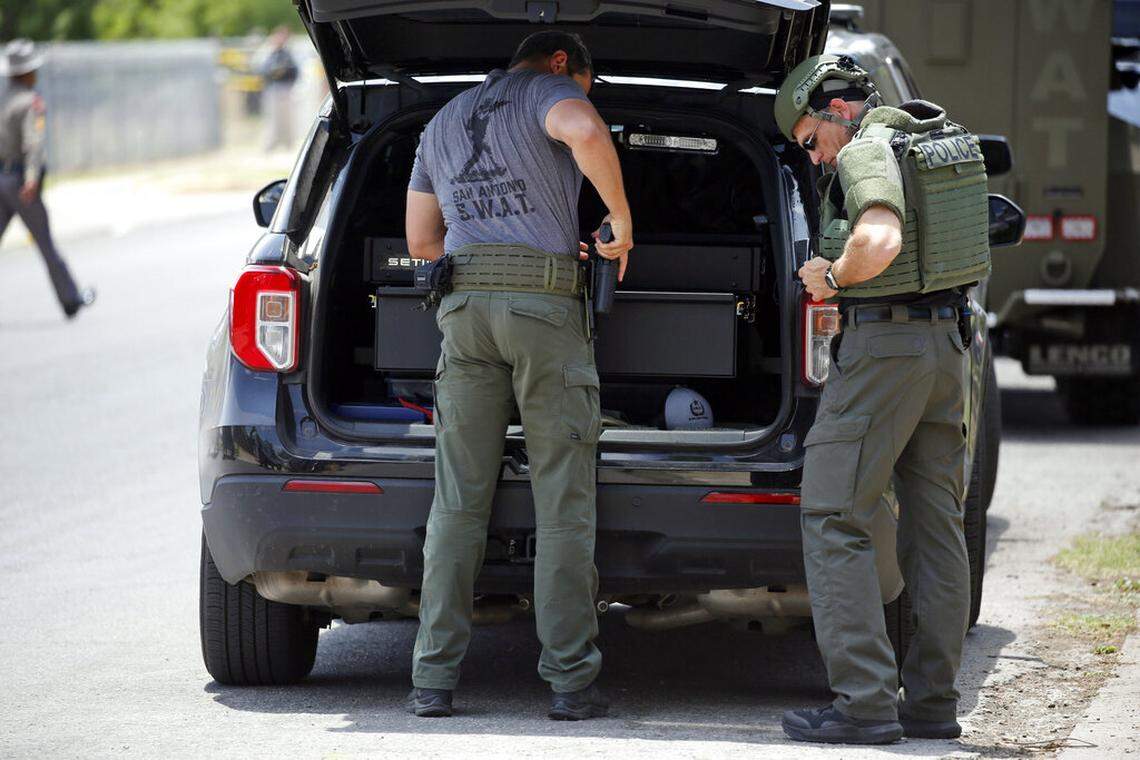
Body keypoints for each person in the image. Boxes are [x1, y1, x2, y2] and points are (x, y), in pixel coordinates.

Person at [404, 31, 632, 720]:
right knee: (561, 499)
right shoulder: (549, 91)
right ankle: (567, 681)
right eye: (581, 82)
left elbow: (420, 242)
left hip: (464, 310)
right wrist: (620, 219)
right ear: (563, 62)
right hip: (543, 308)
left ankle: (432, 680)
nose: (579, 96)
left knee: (458, 503)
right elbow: (584, 129)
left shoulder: (442, 120)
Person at [774, 54, 990, 744]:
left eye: (810, 141)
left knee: (835, 513)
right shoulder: (927, 136)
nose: (814, 159)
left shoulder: (866, 150)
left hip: (885, 352)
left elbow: (881, 236)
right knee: (935, 527)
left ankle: (864, 703)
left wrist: (833, 276)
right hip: (945, 350)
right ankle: (931, 703)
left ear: (834, 109)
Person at [0, 39, 94, 319]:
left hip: (1, 181)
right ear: (26, 72)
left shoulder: (4, 102)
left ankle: (70, 295)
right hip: (19, 183)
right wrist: (30, 178)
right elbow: (33, 144)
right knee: (46, 243)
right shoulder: (30, 103)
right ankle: (70, 298)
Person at [257, 27, 299, 152]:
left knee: (286, 119)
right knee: (272, 118)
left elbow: (295, 71)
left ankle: (287, 144)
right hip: (272, 90)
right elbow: (262, 71)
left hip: (285, 89)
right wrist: (273, 72)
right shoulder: (268, 53)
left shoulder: (287, 54)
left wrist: (284, 72)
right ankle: (271, 144)